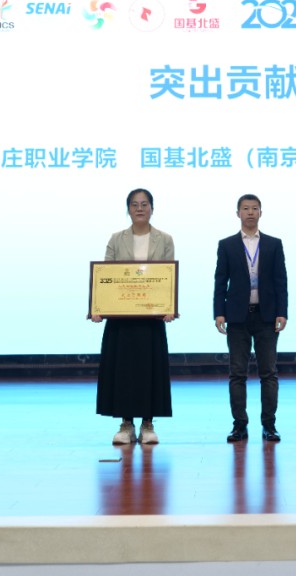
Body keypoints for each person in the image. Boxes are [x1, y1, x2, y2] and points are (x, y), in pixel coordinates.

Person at [92, 188, 175, 446]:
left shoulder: (164, 239)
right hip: (122, 320)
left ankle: (148, 424)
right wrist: (98, 306)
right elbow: (106, 276)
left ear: (152, 208)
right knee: (124, 372)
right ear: (128, 209)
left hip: (152, 319)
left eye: (144, 204)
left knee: (150, 370)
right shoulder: (116, 239)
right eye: (134, 204)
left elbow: (168, 276)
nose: (140, 208)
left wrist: (169, 306)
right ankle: (126, 425)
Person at [213, 194, 289, 443]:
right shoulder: (227, 245)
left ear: (260, 213)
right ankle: (239, 425)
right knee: (237, 374)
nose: (250, 212)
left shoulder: (273, 244)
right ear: (238, 213)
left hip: (267, 316)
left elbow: (281, 280)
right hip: (237, 316)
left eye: (254, 208)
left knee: (269, 373)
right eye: (245, 208)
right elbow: (220, 281)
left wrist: (282, 311)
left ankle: (269, 425)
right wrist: (219, 312)